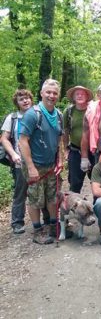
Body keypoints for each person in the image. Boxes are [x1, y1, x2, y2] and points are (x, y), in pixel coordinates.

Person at [19, 79, 63, 244]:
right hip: (35, 165)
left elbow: (59, 139)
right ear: (42, 93)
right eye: (48, 92)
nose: (51, 96)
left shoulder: (58, 114)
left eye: (55, 93)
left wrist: (59, 159)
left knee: (52, 196)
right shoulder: (33, 114)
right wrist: (30, 167)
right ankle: (38, 231)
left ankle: (53, 226)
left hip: (51, 165)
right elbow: (22, 141)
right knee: (36, 198)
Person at [1, 89, 33, 234]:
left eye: (27, 98)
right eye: (21, 99)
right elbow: (4, 139)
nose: (25, 101)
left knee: (41, 192)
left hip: (38, 161)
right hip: (20, 161)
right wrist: (13, 154)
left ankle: (46, 220)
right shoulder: (12, 118)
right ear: (17, 103)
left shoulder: (38, 114)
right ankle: (17, 222)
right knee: (21, 191)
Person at [63, 85, 93, 193]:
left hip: (93, 151)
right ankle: (75, 207)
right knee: (75, 183)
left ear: (87, 96)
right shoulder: (69, 111)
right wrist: (66, 149)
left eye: (82, 93)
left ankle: (98, 207)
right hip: (75, 151)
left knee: (97, 181)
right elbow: (65, 131)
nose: (80, 96)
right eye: (77, 94)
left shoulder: (93, 109)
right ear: (73, 97)